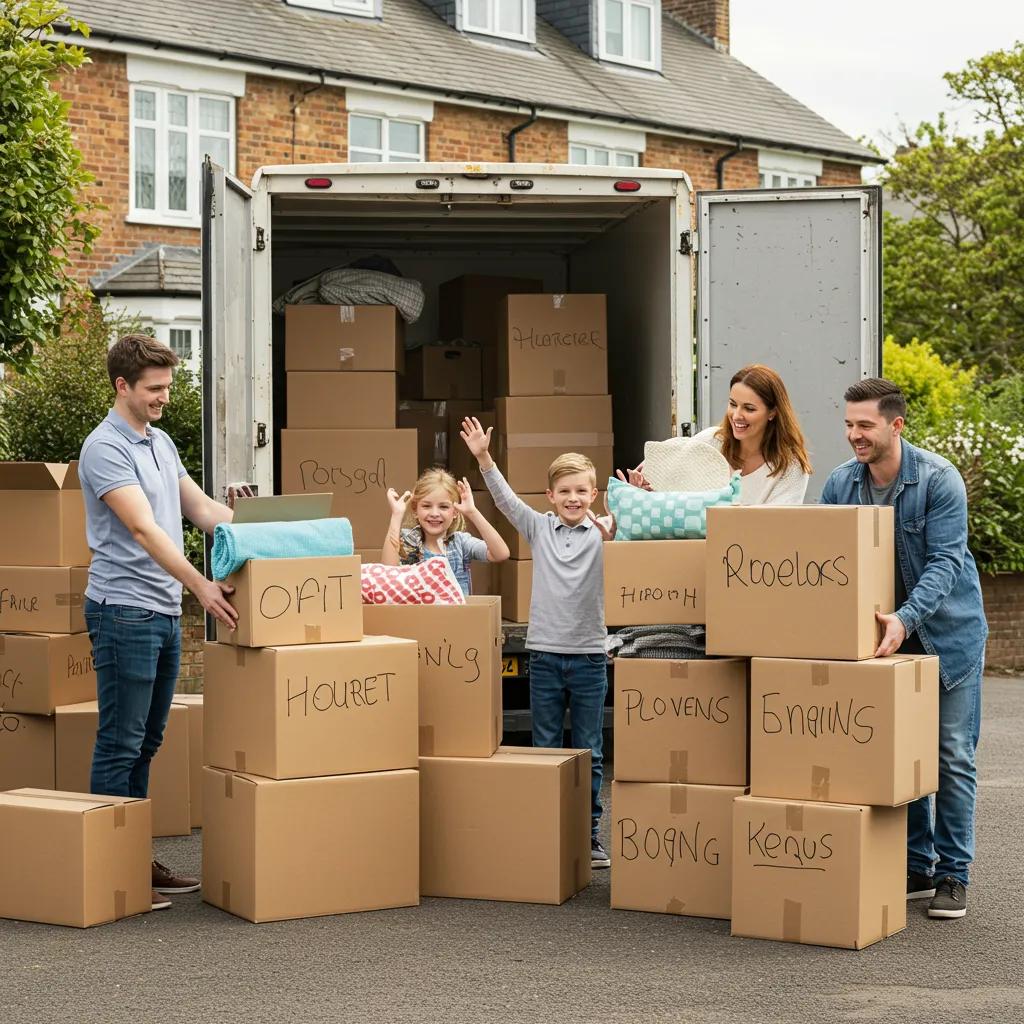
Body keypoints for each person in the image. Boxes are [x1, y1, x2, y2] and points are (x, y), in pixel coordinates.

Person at [78, 334, 242, 913]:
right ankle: (109, 870)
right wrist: (199, 584)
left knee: (147, 741)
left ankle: (134, 859)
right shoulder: (103, 449)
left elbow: (201, 511)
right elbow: (146, 530)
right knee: (120, 741)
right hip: (124, 610)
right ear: (122, 386)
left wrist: (260, 526)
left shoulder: (161, 442)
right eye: (154, 389)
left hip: (162, 611)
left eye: (168, 388)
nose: (164, 398)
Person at [820, 377, 987, 920]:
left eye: (864, 425)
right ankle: (916, 865)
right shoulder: (841, 485)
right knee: (899, 757)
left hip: (948, 636)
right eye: (848, 424)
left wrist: (905, 617)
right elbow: (828, 566)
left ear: (896, 424)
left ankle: (952, 875)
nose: (853, 435)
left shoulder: (938, 480)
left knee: (951, 759)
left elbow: (946, 563)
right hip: (884, 639)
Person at [460, 417, 615, 869]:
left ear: (593, 496)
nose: (573, 499)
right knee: (545, 749)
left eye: (581, 492)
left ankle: (588, 835)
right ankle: (551, 827)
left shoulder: (606, 533)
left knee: (591, 750)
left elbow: (640, 538)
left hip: (589, 657)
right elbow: (506, 502)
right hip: (544, 656)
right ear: (550, 497)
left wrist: (637, 497)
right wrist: (484, 458)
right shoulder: (539, 528)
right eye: (564, 491)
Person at [692, 364, 812, 504]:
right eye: (733, 404)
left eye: (749, 409)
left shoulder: (790, 467)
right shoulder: (707, 443)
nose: (736, 416)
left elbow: (778, 524)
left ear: (772, 412)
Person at [381, 468, 509, 594]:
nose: (435, 513)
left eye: (443, 507)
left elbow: (501, 553)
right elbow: (388, 573)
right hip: (418, 615)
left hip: (456, 615)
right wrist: (396, 515)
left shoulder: (461, 542)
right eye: (426, 506)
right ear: (415, 510)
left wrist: (472, 512)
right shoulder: (408, 540)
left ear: (455, 512)